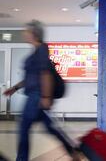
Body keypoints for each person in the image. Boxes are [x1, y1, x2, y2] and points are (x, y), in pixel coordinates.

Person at [3, 20, 79, 161]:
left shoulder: (42, 49)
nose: (24, 33)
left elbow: (46, 74)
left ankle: (22, 159)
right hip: (36, 96)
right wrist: (14, 88)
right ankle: (72, 150)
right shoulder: (36, 52)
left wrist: (46, 97)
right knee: (50, 128)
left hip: (36, 96)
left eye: (26, 31)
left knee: (24, 127)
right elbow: (32, 78)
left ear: (34, 34)